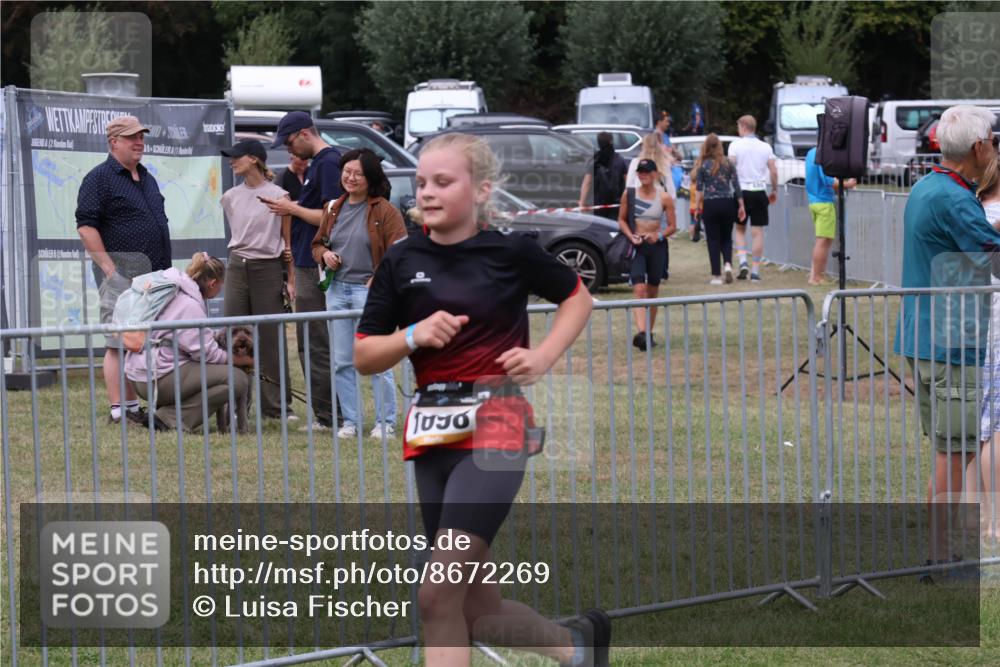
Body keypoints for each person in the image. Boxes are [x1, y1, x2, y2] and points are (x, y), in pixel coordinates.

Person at [353, 133, 608, 666]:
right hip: (432, 435)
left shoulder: (511, 251)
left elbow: (577, 298)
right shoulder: (402, 260)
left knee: (436, 594)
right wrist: (413, 335)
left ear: (482, 190)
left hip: (498, 424)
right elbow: (364, 355)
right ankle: (579, 649)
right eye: (422, 182)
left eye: (443, 182)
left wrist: (542, 357)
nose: (427, 192)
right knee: (476, 610)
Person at [892, 105, 1000, 577]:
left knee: (952, 449)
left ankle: (941, 551)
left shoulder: (929, 187)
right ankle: (939, 556)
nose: (994, 148)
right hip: (950, 342)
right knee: (955, 451)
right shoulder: (956, 198)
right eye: (993, 140)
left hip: (925, 336)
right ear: (978, 148)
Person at [76, 115, 172, 426]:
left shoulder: (146, 177)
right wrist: (109, 270)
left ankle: (135, 406)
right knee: (118, 343)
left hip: (154, 278)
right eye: (132, 137)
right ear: (114, 142)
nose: (139, 142)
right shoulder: (99, 178)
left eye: (141, 136)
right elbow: (86, 227)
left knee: (144, 341)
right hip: (122, 277)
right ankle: (120, 410)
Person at [311, 149, 407, 441]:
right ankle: (350, 422)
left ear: (371, 178)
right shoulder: (332, 208)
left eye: (358, 174)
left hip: (369, 292)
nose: (350, 178)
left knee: (378, 359)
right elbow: (317, 245)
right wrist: (324, 254)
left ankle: (385, 422)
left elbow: (400, 252)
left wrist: (379, 278)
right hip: (336, 290)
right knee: (342, 360)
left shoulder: (385, 211)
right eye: (347, 172)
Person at [261, 111, 343, 429]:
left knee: (314, 342)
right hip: (307, 263)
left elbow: (331, 217)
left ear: (305, 134)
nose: (289, 150)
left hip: (315, 265)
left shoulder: (328, 164)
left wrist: (291, 208)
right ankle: (329, 413)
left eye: (290, 142)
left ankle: (329, 416)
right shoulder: (319, 164)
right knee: (311, 342)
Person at [124, 253, 253, 432]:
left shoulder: (174, 291)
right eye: (221, 284)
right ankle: (169, 418)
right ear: (213, 283)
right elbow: (208, 354)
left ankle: (165, 413)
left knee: (210, 376)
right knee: (237, 379)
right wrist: (245, 361)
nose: (221, 288)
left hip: (138, 375)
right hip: (156, 378)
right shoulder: (190, 305)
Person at [219, 139, 294, 419]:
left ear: (253, 159)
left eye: (236, 156)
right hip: (237, 266)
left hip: (268, 267)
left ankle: (277, 407)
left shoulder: (280, 196)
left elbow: (287, 243)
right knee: (233, 336)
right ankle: (235, 406)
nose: (231, 161)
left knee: (271, 338)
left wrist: (291, 279)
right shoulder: (229, 197)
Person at [618, 159, 677, 350]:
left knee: (652, 292)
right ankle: (642, 334)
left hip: (657, 247)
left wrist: (658, 236)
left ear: (655, 174)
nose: (643, 174)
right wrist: (631, 236)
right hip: (637, 247)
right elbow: (621, 220)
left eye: (647, 171)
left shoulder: (664, 197)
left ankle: (648, 334)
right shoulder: (629, 194)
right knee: (639, 289)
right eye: (640, 171)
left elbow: (672, 226)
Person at [971, 156, 1000, 541]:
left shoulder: (974, 211)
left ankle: (980, 514)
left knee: (980, 424)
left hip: (976, 322)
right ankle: (994, 519)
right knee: (995, 425)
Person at [728, 115, 778, 281]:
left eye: (738, 127)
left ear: (743, 127)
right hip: (759, 190)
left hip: (741, 192)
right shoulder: (765, 147)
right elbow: (773, 170)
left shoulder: (735, 145)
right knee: (757, 233)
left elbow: (730, 166)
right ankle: (755, 270)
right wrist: (774, 190)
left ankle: (743, 261)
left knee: (739, 229)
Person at [691, 134, 745, 285]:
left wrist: (697, 207)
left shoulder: (703, 165)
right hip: (728, 203)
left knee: (713, 240)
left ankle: (716, 275)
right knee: (727, 238)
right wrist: (741, 205)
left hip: (711, 204)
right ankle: (727, 264)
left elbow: (699, 189)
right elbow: (736, 185)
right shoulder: (728, 163)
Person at [805, 146, 856, 285]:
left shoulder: (811, 153)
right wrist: (848, 184)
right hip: (824, 203)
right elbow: (830, 181)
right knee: (823, 241)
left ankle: (816, 275)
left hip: (814, 201)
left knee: (822, 241)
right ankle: (816, 277)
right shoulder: (823, 155)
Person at [577, 131, 628, 221]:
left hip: (598, 202)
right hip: (617, 201)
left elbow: (587, 182)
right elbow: (627, 181)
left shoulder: (595, 160)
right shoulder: (620, 159)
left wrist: (582, 202)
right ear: (612, 141)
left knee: (600, 225)